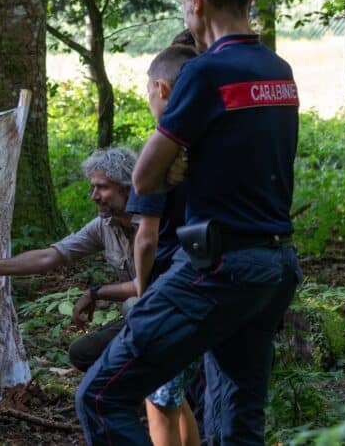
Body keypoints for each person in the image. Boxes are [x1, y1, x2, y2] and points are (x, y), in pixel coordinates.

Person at [76, 0, 302, 445]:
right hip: (275, 266)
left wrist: (177, 161)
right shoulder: (278, 70)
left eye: (184, 3)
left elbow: (143, 177)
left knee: (100, 395)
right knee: (238, 421)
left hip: (217, 268)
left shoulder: (205, 72)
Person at [0, 148, 140, 372]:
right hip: (143, 316)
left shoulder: (153, 223)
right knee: (83, 353)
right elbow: (49, 256)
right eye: (93, 187)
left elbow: (144, 287)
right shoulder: (105, 225)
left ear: (126, 188)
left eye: (102, 187)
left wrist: (95, 292)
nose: (94, 196)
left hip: (164, 314)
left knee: (133, 307)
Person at [129, 43, 201, 446]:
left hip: (170, 286)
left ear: (162, 89)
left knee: (157, 397)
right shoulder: (210, 143)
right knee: (178, 394)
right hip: (211, 279)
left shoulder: (161, 151)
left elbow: (146, 237)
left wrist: (142, 290)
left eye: (147, 92)